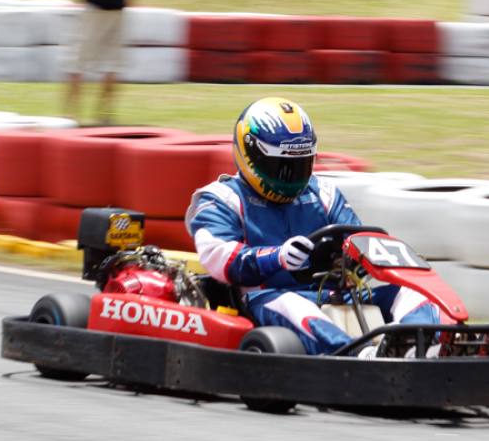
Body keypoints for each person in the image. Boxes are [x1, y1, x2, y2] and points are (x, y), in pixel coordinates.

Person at [185, 97, 444, 357]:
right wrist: (277, 258)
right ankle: (359, 356)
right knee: (292, 304)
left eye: (301, 164)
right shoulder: (221, 198)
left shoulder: (323, 193)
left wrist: (366, 256)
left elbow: (355, 237)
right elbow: (220, 258)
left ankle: (415, 343)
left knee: (411, 292)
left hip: (332, 295)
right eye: (283, 167)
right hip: (267, 298)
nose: (293, 176)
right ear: (251, 153)